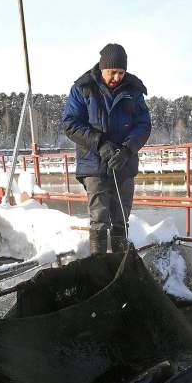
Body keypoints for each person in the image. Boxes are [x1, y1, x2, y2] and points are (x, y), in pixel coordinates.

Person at [62, 43, 152, 254]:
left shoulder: (133, 91)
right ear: (103, 68)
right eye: (113, 72)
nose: (117, 77)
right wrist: (100, 143)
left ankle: (120, 264)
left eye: (121, 72)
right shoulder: (83, 88)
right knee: (99, 219)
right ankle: (99, 265)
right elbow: (70, 124)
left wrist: (127, 150)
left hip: (124, 163)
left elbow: (144, 125)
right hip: (94, 164)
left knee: (121, 219)